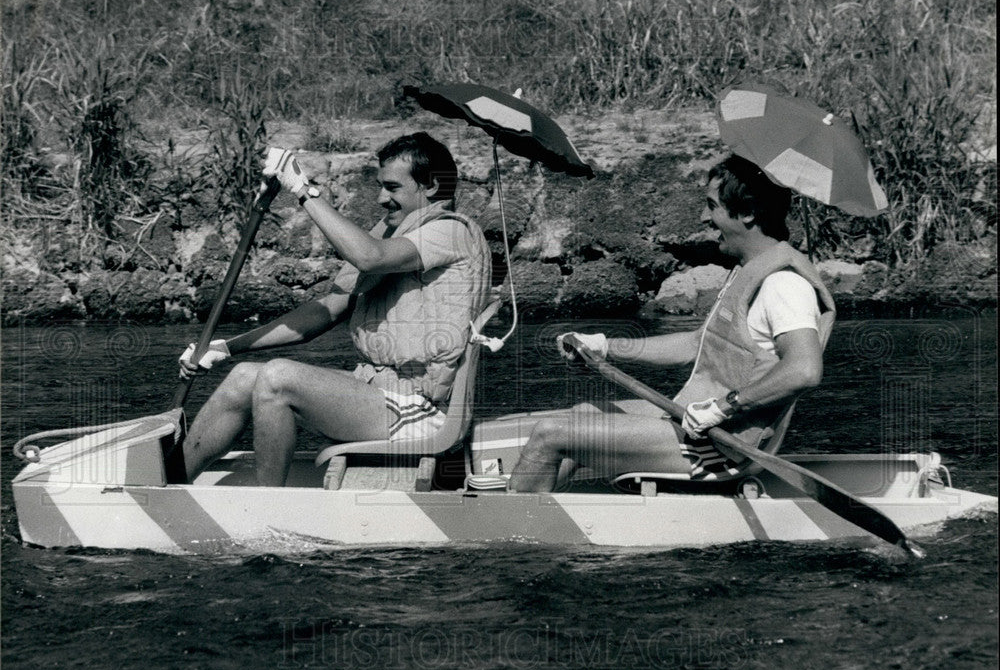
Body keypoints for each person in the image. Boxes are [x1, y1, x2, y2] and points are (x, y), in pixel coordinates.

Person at [178, 132, 491, 486]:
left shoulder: (450, 232)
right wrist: (228, 347)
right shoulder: (393, 233)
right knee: (244, 377)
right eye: (380, 186)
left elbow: (369, 258)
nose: (380, 198)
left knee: (277, 379)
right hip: (383, 392)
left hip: (424, 410)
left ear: (431, 187)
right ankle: (169, 486)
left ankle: (267, 511)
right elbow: (326, 310)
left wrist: (303, 190)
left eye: (392, 187)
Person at [509, 154, 836, 492]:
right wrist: (605, 345)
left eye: (712, 205)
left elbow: (804, 369)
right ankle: (540, 506)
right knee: (582, 413)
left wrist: (723, 408)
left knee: (551, 434)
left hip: (720, 447)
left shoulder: (784, 285)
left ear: (748, 212)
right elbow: (696, 344)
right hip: (700, 428)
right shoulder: (748, 271)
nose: (704, 216)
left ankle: (509, 531)